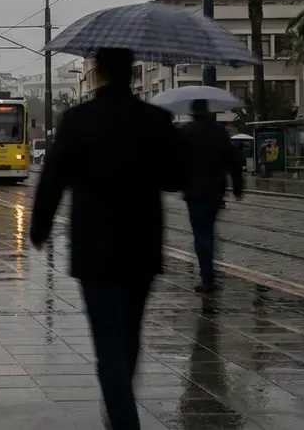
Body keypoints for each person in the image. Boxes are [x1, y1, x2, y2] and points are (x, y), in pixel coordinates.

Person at [29, 48, 184, 430]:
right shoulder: (156, 119)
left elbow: (52, 180)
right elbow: (176, 179)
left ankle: (122, 415)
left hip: (94, 249)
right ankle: (119, 404)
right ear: (132, 73)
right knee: (130, 335)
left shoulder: (77, 120)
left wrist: (40, 228)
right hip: (141, 247)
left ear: (96, 72)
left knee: (108, 344)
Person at [179, 99, 243, 294]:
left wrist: (178, 182)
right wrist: (238, 186)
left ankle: (207, 275)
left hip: (193, 191)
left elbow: (176, 161)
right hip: (215, 190)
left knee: (201, 232)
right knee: (209, 228)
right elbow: (232, 160)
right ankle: (209, 271)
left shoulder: (186, 132)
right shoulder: (219, 131)